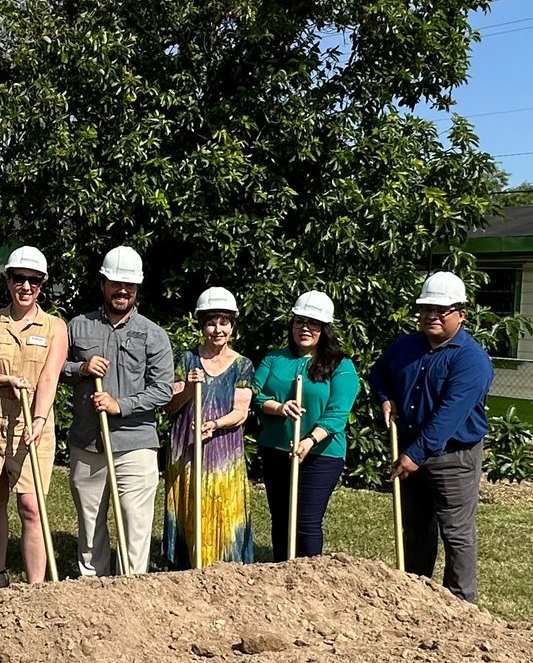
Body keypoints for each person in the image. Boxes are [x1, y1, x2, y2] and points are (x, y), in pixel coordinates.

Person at [366, 271, 495, 602]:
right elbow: (379, 372)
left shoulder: (471, 360)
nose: (431, 317)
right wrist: (384, 397)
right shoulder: (406, 346)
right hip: (412, 451)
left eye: (442, 311)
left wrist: (413, 456)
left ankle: (461, 604)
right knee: (416, 529)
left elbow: (449, 415)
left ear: (461, 314)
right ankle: (416, 595)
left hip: (454, 457)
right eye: (426, 309)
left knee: (456, 532)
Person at [64, 246, 173, 576]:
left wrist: (120, 405)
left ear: (138, 288)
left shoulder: (153, 334)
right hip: (88, 443)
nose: (122, 290)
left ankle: (130, 594)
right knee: (90, 525)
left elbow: (163, 389)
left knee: (135, 528)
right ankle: (92, 592)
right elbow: (54, 370)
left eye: (129, 285)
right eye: (115, 283)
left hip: (135, 443)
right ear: (103, 283)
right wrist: (81, 369)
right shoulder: (78, 326)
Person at [0, 246, 68, 587]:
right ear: (9, 281)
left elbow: (49, 379)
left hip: (32, 427)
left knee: (31, 506)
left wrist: (39, 420)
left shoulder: (55, 327)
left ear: (42, 284)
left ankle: (35, 588)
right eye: (19, 279)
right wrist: (4, 380)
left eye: (33, 280)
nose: (26, 286)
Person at [251, 290, 360, 562]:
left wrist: (309, 441)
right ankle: (279, 570)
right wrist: (278, 407)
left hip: (320, 454)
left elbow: (337, 414)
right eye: (299, 321)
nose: (305, 328)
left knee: (306, 521)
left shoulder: (341, 366)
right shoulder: (274, 359)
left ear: (324, 329)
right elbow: (253, 393)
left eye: (313, 323)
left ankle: (308, 579)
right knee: (281, 518)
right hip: (276, 449)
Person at [163, 287, 254, 568]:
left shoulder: (243, 365)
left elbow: (240, 413)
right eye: (211, 322)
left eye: (224, 322)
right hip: (186, 449)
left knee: (223, 508)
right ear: (202, 325)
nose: (217, 329)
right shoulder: (185, 359)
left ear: (232, 325)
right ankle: (185, 567)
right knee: (189, 506)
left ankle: (225, 570)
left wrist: (213, 424)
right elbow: (171, 406)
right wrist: (190, 387)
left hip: (222, 451)